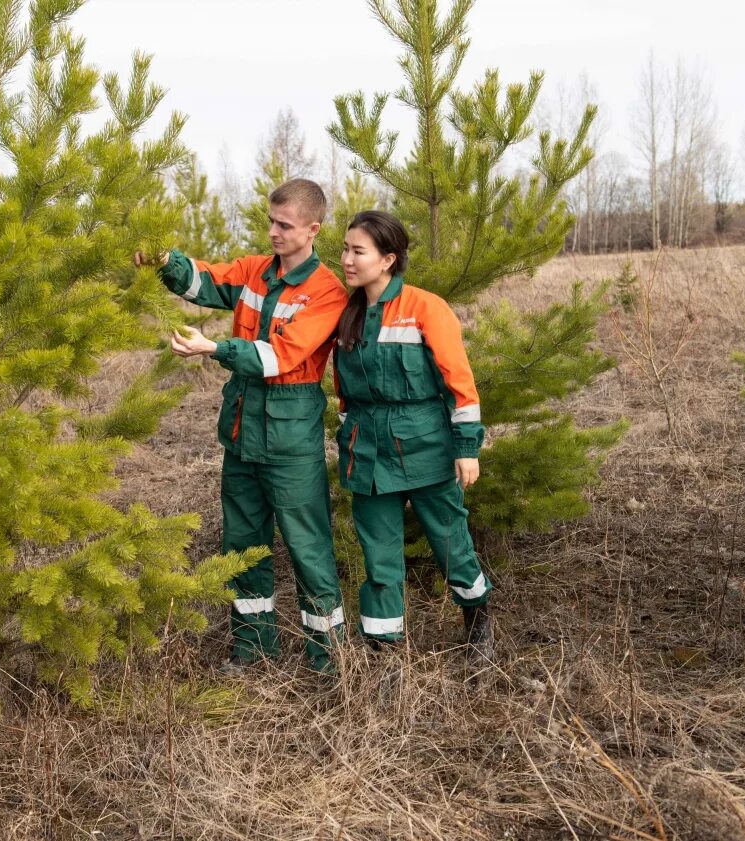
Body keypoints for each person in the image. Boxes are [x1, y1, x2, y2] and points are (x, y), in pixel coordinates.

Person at [133, 179, 349, 674]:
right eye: (270, 221)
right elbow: (205, 281)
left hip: (290, 439)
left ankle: (328, 660)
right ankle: (252, 649)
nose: (273, 232)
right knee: (243, 542)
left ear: (313, 229)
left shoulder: (327, 293)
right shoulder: (255, 272)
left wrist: (213, 349)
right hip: (242, 433)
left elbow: (282, 356)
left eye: (284, 225)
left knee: (307, 545)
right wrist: (167, 260)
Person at [332, 210, 493, 661]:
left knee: (450, 543)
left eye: (357, 251)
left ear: (387, 259)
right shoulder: (349, 315)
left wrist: (467, 449)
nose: (346, 258)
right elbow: (344, 392)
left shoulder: (425, 307)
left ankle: (478, 621)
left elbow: (459, 383)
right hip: (366, 454)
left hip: (425, 448)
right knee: (379, 560)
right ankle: (385, 654)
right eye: (344, 248)